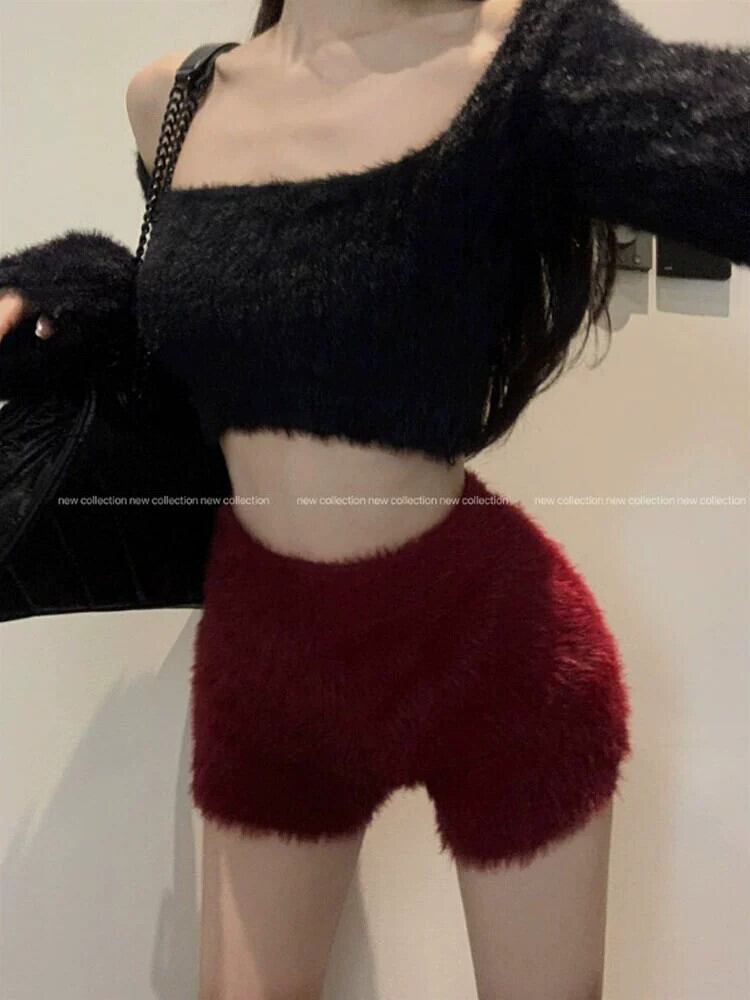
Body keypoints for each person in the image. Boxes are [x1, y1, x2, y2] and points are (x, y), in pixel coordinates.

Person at [1, 0, 747, 997]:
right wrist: (69, 290)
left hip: (489, 658)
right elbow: (231, 309)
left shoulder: (526, 67)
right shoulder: (173, 101)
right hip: (266, 666)